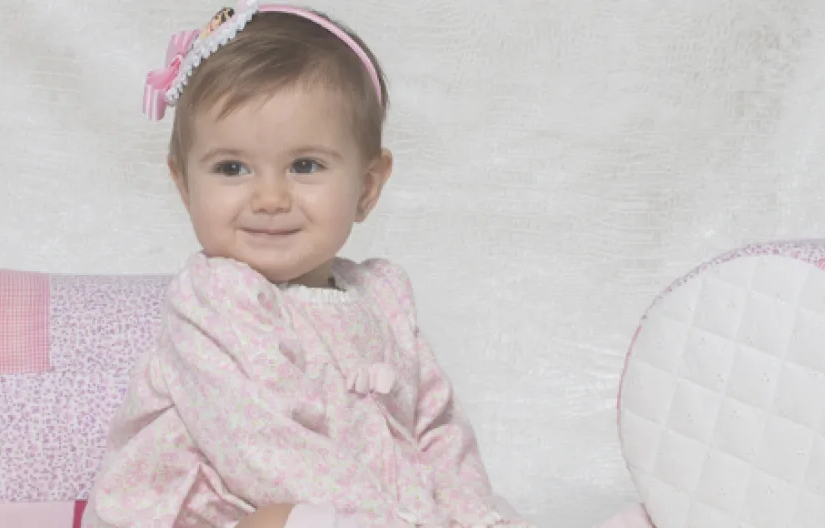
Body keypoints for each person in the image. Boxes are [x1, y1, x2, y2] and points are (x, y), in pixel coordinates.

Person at [85, 2, 534, 527]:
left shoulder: (383, 296)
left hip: (377, 513)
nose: (270, 198)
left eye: (304, 165)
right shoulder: (214, 297)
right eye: (232, 168)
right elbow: (262, 445)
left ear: (366, 187)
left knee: (498, 513)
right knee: (279, 521)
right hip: (221, 514)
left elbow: (438, 427)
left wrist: (467, 514)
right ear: (185, 186)